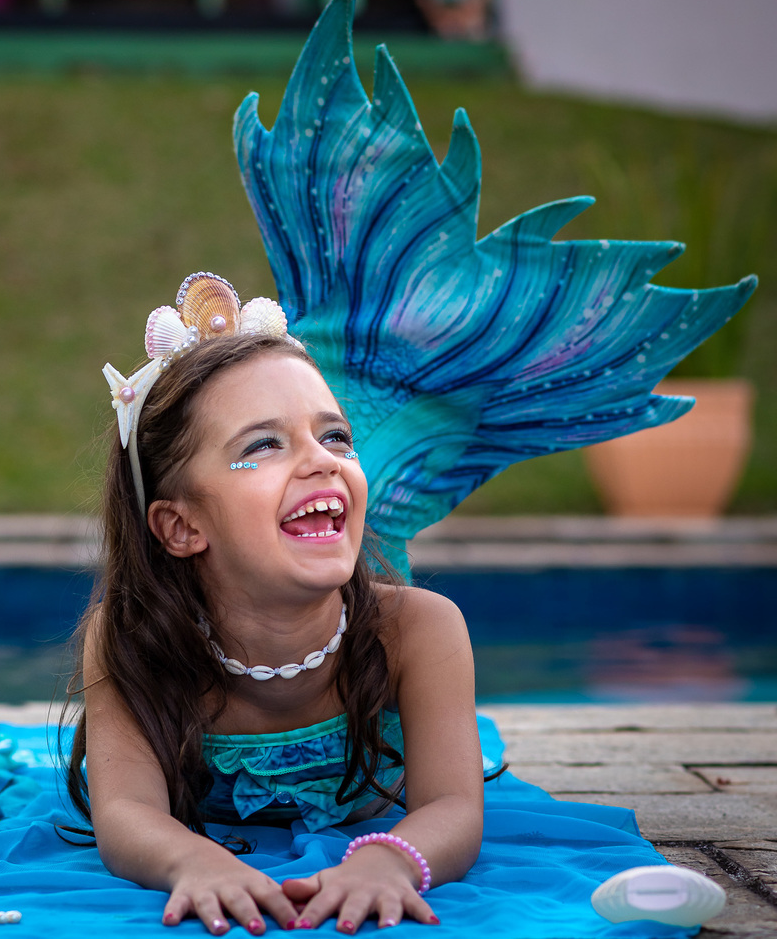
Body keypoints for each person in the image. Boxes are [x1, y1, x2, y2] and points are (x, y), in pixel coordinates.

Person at [62, 273, 484, 935]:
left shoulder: (421, 631)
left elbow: (455, 804)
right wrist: (192, 861)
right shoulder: (133, 642)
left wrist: (390, 860)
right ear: (181, 526)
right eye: (263, 444)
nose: (322, 462)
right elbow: (125, 815)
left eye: (335, 437)